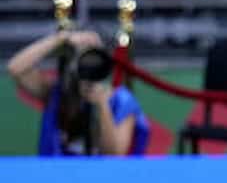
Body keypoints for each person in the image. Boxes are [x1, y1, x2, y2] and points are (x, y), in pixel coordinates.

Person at [6, 30, 150, 156]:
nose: (89, 64)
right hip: (58, 178)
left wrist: (102, 105)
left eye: (94, 56)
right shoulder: (57, 93)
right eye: (83, 58)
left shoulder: (121, 101)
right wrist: (61, 38)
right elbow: (15, 68)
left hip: (102, 181)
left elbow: (114, 154)